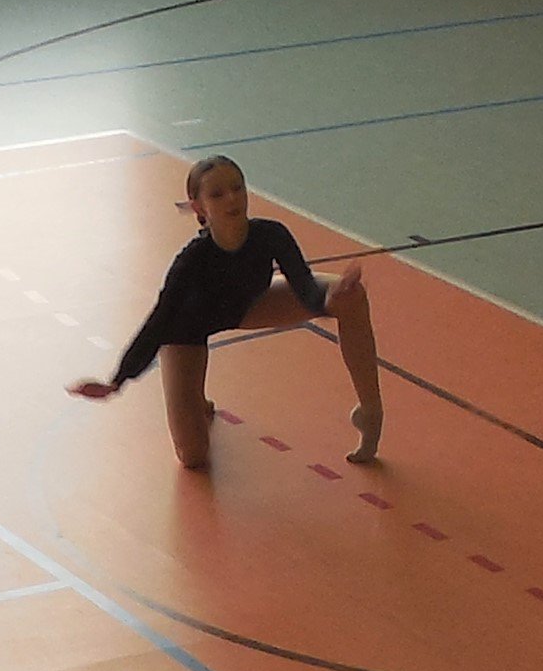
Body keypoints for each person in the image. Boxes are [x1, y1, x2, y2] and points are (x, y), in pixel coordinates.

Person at [67, 155, 384, 469]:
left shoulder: (271, 235)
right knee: (193, 456)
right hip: (187, 331)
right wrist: (118, 379)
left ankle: (369, 411)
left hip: (248, 307)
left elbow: (306, 290)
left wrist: (329, 301)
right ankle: (195, 400)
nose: (232, 198)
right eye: (217, 194)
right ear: (199, 207)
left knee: (350, 296)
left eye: (237, 188)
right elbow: (159, 322)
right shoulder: (191, 262)